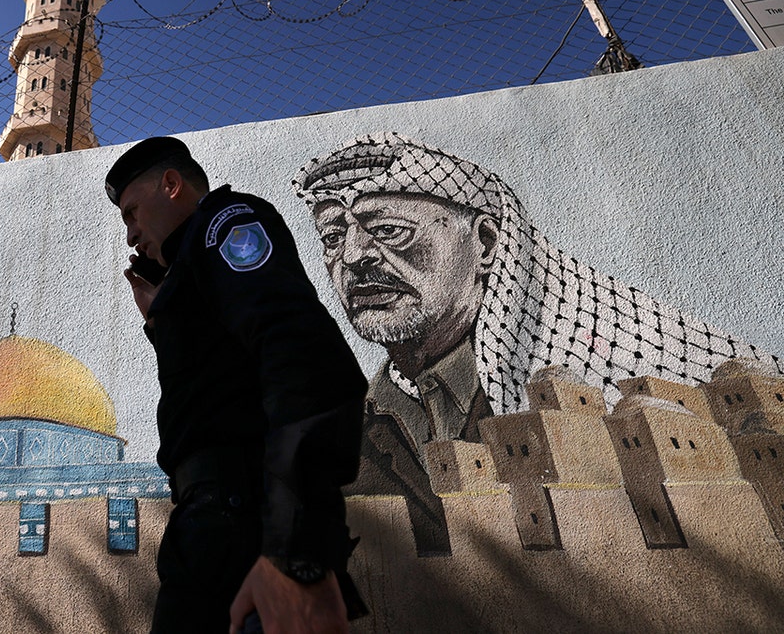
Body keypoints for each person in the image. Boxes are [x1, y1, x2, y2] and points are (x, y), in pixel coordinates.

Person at [292, 132, 783, 461]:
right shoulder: (371, 417)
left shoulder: (594, 377)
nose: (353, 256)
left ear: (485, 244)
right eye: (333, 238)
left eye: (390, 230)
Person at [106, 136, 368, 634]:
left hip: (244, 520)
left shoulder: (222, 223)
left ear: (171, 184)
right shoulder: (188, 273)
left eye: (133, 213)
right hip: (205, 525)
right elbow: (216, 390)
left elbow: (301, 357)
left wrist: (296, 553)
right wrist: (164, 320)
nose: (132, 235)